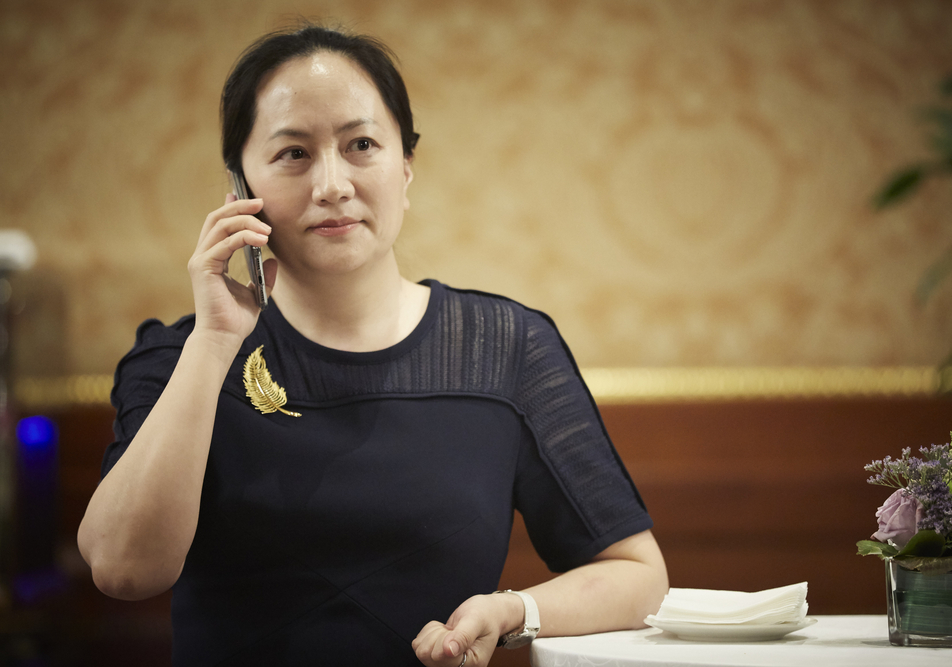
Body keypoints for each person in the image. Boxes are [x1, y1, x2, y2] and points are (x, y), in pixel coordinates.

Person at [77, 23, 668, 666]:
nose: (331, 184)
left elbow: (637, 574)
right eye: (293, 153)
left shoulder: (507, 348)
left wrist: (512, 610)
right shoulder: (178, 356)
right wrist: (215, 341)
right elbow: (121, 570)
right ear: (241, 187)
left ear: (406, 170)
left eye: (361, 144)